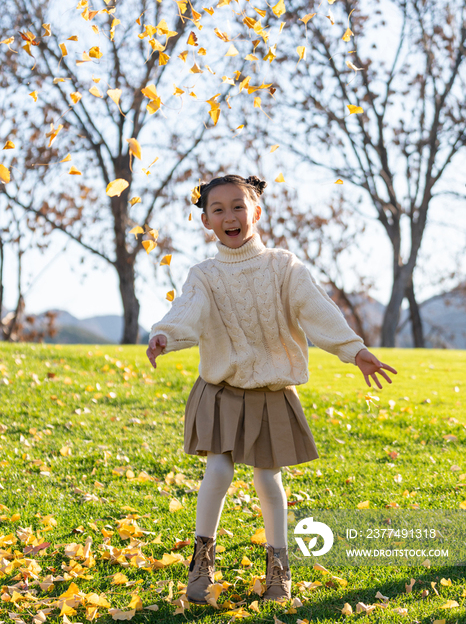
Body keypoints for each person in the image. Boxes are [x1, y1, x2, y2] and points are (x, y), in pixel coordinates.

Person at [146, 174, 397, 605]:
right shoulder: (204, 275)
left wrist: (354, 351)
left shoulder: (283, 266)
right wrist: (165, 335)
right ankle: (201, 565)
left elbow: (318, 310)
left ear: (256, 212)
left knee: (267, 479)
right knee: (218, 471)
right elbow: (188, 310)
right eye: (219, 209)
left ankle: (278, 571)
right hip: (222, 391)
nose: (230, 216)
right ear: (206, 220)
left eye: (238, 206)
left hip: (270, 392)